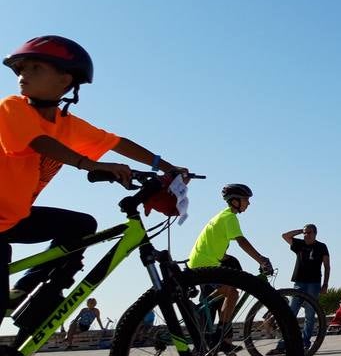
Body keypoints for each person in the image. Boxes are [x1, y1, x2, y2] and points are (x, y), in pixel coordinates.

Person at [0, 36, 189, 332]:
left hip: (14, 218)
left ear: (65, 79)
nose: (22, 75)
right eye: (20, 69)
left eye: (34, 68)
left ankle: (36, 293)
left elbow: (117, 143)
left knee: (81, 226)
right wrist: (93, 165)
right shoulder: (12, 107)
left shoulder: (67, 124)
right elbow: (40, 143)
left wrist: (168, 167)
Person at [187, 184, 274, 331]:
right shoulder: (229, 217)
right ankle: (222, 331)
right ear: (235, 201)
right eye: (246, 199)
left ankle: (213, 325)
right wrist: (261, 259)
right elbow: (242, 242)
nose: (248, 203)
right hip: (205, 264)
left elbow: (215, 245)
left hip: (203, 262)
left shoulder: (223, 216)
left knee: (226, 293)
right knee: (232, 293)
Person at [268, 224, 330, 355]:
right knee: (290, 313)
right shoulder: (299, 244)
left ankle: (305, 343)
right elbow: (285, 236)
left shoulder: (321, 247)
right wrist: (299, 231)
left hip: (313, 284)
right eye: (305, 233)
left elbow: (327, 266)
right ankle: (283, 345)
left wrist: (325, 284)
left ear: (315, 234)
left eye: (309, 233)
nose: (306, 235)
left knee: (310, 314)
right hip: (299, 283)